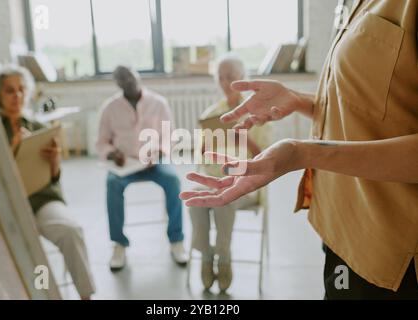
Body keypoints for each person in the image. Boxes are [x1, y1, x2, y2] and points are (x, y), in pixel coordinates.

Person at [180, 0, 418, 300]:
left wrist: (303, 153)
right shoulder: (353, 4)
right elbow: (363, 107)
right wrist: (297, 99)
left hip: (388, 248)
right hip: (339, 221)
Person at [0, 65, 96, 300]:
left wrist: (55, 162)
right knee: (17, 246)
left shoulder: (38, 128)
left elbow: (53, 178)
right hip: (8, 207)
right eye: (10, 91)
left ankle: (86, 296)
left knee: (71, 230)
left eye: (21, 90)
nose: (17, 95)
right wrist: (14, 147)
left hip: (42, 199)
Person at [189, 55, 270, 292]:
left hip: (248, 183)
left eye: (231, 78)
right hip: (216, 180)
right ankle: (206, 254)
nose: (225, 84)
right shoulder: (212, 114)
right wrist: (204, 149)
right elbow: (202, 161)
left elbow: (269, 159)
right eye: (221, 78)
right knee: (195, 194)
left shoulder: (260, 112)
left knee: (225, 195)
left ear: (242, 79)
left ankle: (222, 254)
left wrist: (244, 140)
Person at [96, 65, 188, 271]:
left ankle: (176, 239)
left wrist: (158, 154)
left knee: (173, 181)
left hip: (155, 162)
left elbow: (169, 137)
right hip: (125, 163)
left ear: (137, 76)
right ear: (117, 84)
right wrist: (112, 153)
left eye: (130, 77)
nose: (128, 82)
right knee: (112, 184)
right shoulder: (110, 108)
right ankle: (119, 243)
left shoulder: (158, 103)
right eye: (122, 80)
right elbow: (101, 142)